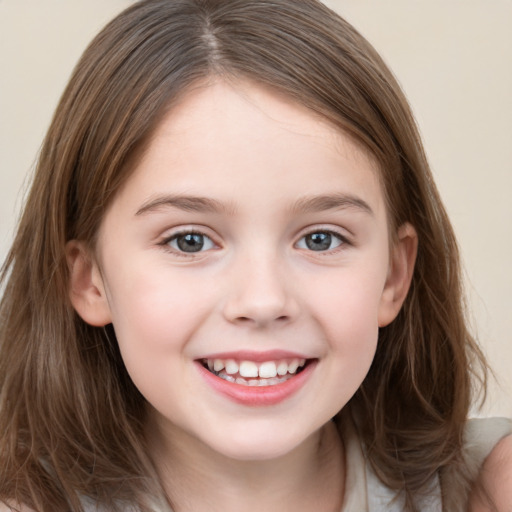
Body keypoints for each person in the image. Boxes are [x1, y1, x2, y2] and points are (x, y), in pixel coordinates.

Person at [0, 0, 510, 511]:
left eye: (321, 239)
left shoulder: (487, 489)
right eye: (189, 240)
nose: (263, 301)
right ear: (91, 281)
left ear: (394, 277)